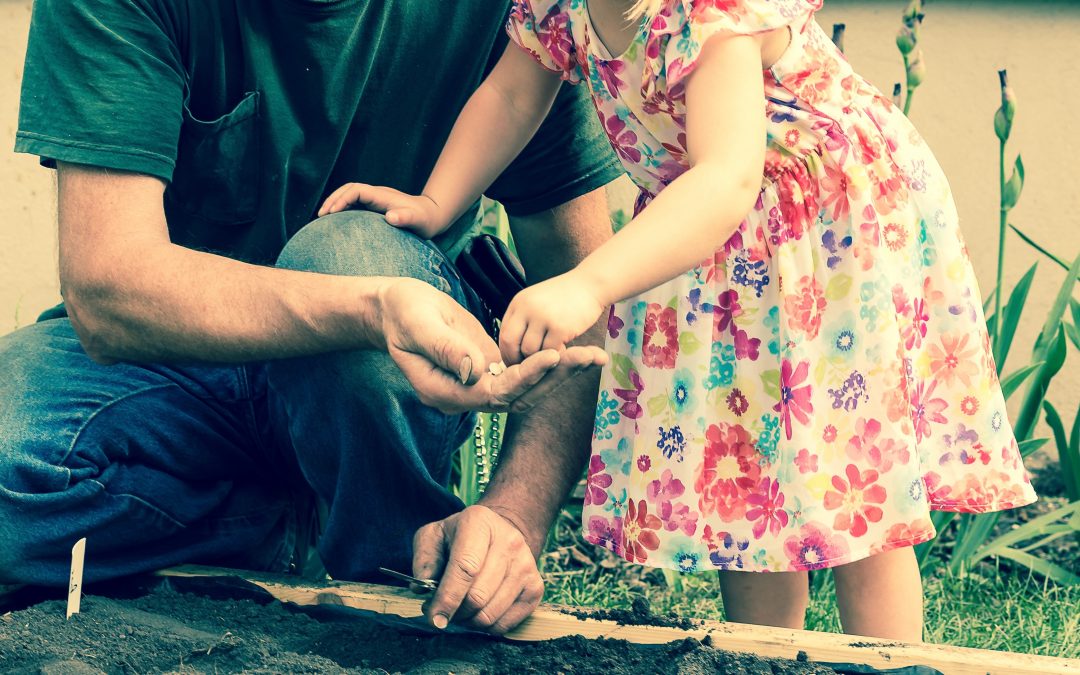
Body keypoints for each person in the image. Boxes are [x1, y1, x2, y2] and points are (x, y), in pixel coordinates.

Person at [320, 0, 1037, 641]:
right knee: (746, 473)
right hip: (721, 248)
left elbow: (728, 177)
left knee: (856, 485)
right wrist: (438, 202)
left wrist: (588, 284)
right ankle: (767, 655)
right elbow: (510, 95)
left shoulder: (713, 12)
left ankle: (888, 662)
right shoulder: (561, 5)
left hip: (823, 239)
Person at [0, 0, 627, 635]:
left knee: (349, 255)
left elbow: (577, 294)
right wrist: (371, 310)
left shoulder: (506, 12)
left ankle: (395, 579)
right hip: (168, 371)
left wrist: (514, 516)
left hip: (373, 380)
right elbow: (109, 289)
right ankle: (280, 529)